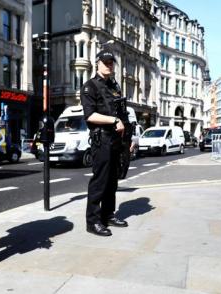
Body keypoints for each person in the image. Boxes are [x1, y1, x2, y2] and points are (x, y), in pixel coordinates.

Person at [80, 48, 129, 237]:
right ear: (97, 63)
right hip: (102, 139)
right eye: (106, 62)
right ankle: (92, 222)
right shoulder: (90, 86)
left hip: (117, 139)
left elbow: (121, 113)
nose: (109, 65)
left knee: (112, 181)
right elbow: (90, 115)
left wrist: (128, 137)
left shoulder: (114, 86)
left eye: (111, 63)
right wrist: (114, 121)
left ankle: (108, 215)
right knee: (99, 181)